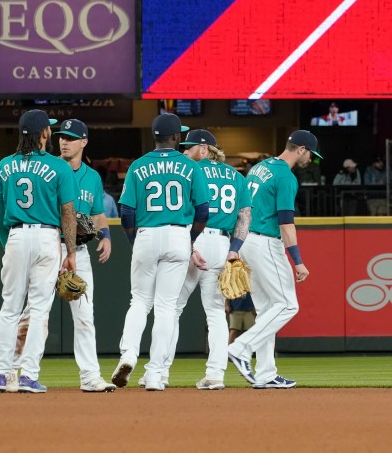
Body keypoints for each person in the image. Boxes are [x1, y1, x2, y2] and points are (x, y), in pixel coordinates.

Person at [12, 119, 115, 392]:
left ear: (84, 142)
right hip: (50, 247)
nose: (64, 141)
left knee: (84, 317)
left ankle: (90, 377)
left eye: (71, 137)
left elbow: (97, 214)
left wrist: (105, 236)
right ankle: (11, 370)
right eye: (61, 137)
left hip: (78, 251)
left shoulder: (92, 177)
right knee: (34, 314)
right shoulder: (50, 167)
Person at [111, 114, 210, 391]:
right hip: (179, 234)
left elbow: (127, 212)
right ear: (176, 137)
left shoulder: (138, 166)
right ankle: (155, 374)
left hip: (146, 233)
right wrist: (189, 239)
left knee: (140, 301)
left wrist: (135, 241)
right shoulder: (190, 167)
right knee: (167, 307)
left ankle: (128, 355)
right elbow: (203, 211)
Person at [0, 110, 77, 394]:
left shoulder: (4, 166)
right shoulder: (59, 167)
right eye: (48, 129)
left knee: (9, 308)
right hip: (48, 237)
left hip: (16, 235)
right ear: (44, 134)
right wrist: (70, 251)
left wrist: (9, 244)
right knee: (39, 310)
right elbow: (68, 213)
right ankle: (28, 376)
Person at [226, 130, 319, 389]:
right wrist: (297, 260)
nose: (311, 158)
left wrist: (236, 244)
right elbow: (286, 224)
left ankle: (266, 373)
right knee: (288, 305)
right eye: (310, 153)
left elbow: (242, 209)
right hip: (265, 241)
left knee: (267, 310)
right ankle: (241, 347)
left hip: (246, 240)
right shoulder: (285, 176)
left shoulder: (258, 168)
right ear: (300, 149)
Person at [164, 129, 251, 390]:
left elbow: (184, 211)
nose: (184, 152)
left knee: (173, 307)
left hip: (195, 239)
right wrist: (235, 248)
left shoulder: (192, 172)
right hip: (223, 244)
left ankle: (159, 371)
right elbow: (245, 217)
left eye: (188, 148)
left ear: (204, 149)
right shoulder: (237, 176)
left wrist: (189, 244)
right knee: (215, 312)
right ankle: (215, 374)